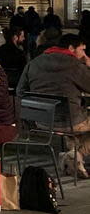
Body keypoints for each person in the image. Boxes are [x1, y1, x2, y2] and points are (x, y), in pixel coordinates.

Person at [17, 34, 90, 177]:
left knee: (74, 121)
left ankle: (73, 161)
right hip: (71, 121)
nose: (84, 54)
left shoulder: (34, 62)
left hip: (42, 121)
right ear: (71, 48)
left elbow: (20, 91)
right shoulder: (75, 65)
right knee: (77, 120)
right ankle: (77, 154)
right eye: (82, 50)